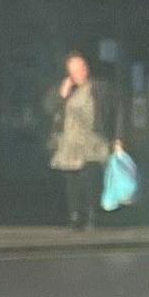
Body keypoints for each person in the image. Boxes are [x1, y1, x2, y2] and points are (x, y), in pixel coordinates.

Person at [46, 51, 119, 229]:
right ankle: (75, 216)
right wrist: (61, 95)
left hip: (92, 142)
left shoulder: (100, 88)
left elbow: (116, 112)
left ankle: (93, 215)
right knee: (73, 182)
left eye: (83, 68)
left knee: (91, 179)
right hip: (70, 143)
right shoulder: (64, 89)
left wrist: (118, 138)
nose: (81, 73)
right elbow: (49, 109)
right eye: (76, 70)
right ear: (69, 73)